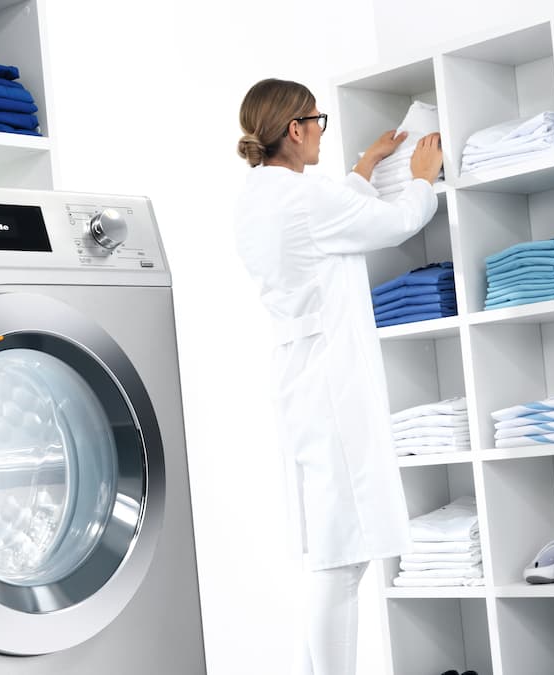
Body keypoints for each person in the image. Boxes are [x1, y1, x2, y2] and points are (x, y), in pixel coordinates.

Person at [232, 78, 444, 675]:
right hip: (331, 386)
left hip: (301, 378)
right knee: (342, 559)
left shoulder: (259, 196)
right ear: (295, 129)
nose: (321, 130)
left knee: (334, 552)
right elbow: (393, 223)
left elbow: (331, 222)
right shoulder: (305, 199)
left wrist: (365, 164)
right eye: (317, 120)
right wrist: (423, 175)